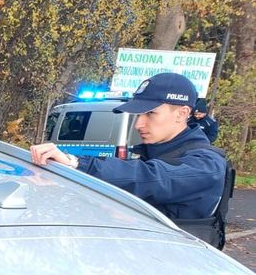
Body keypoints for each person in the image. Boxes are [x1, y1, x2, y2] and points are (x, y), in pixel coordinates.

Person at [30, 73, 228, 237]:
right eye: (138, 115)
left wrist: (76, 164)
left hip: (175, 274)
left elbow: (151, 178)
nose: (139, 124)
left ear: (181, 114)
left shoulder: (207, 164)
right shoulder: (152, 152)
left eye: (150, 114)